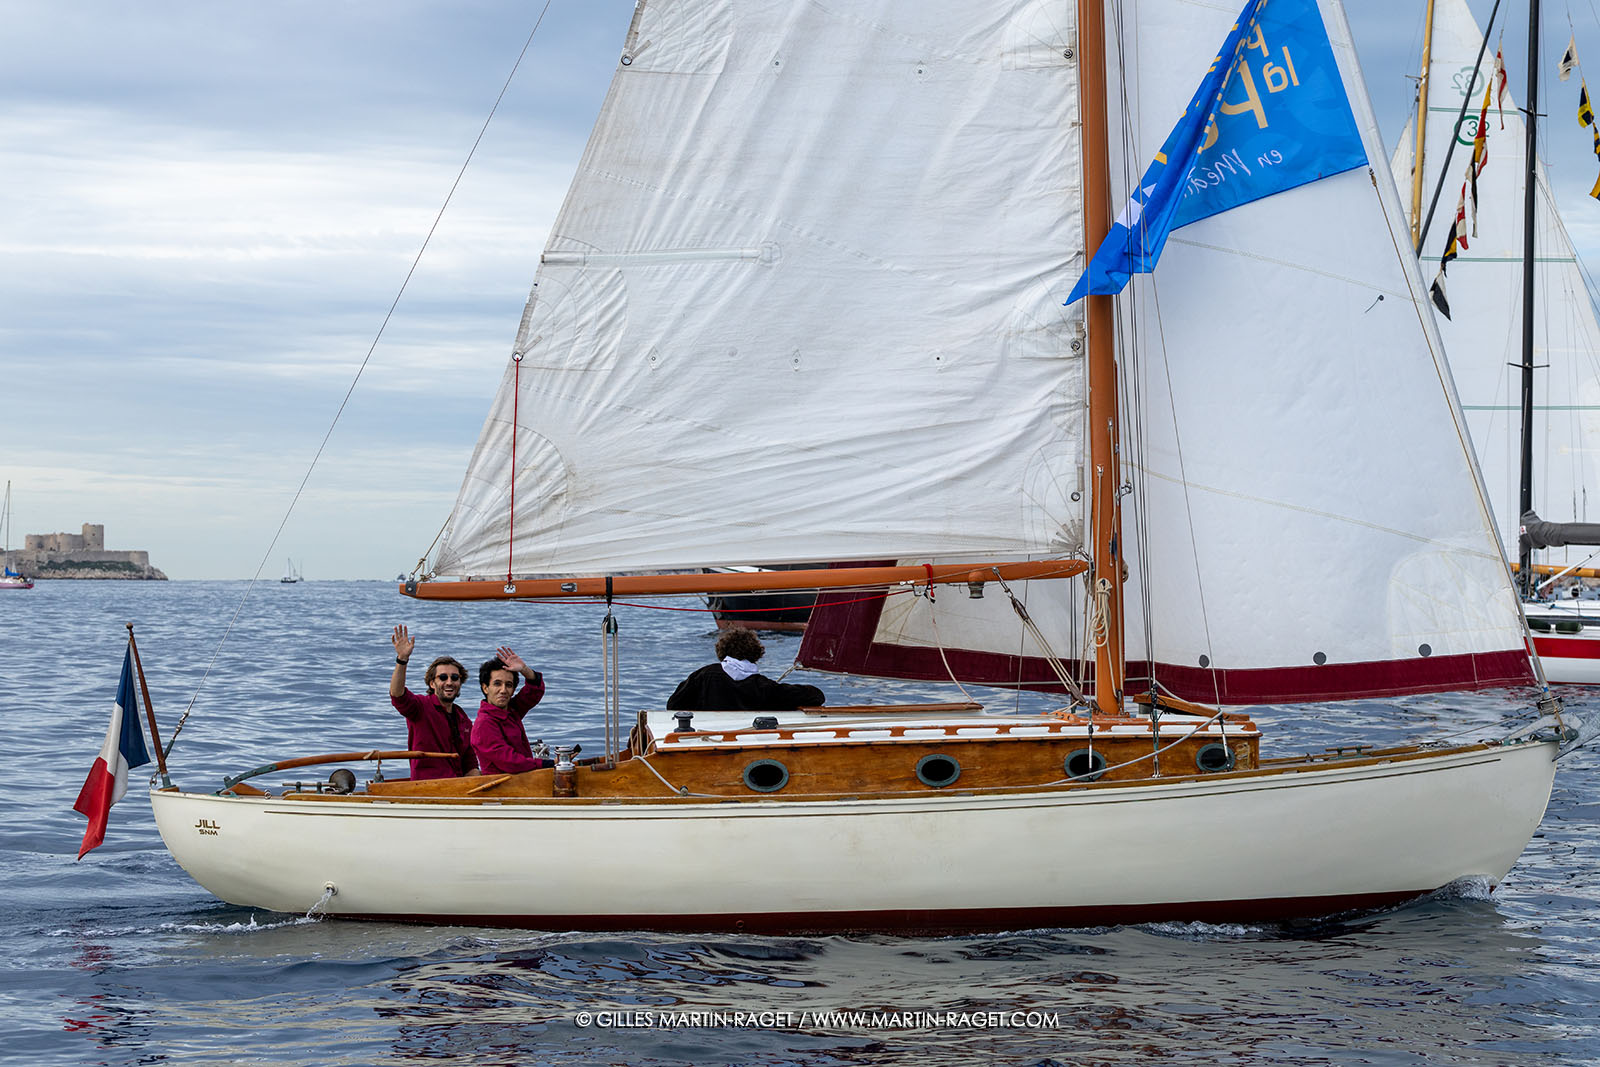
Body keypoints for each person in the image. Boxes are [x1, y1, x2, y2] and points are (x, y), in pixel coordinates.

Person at [667, 627, 825, 711]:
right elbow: (816, 696)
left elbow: (673, 704)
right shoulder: (762, 686)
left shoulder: (704, 675)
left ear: (721, 651)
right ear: (756, 653)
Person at [389, 624, 475, 780]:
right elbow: (397, 695)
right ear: (432, 683)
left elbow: (470, 764)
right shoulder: (420, 707)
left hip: (459, 788)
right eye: (443, 677)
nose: (449, 682)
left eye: (454, 678)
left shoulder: (463, 719)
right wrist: (402, 660)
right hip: (427, 787)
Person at [471, 646, 551, 775]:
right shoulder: (484, 724)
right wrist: (544, 764)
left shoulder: (511, 711)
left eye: (508, 685)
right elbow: (510, 761)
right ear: (485, 688)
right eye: (497, 684)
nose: (503, 690)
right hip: (500, 788)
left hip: (524, 780)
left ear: (513, 690)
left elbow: (534, 692)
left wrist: (524, 669)